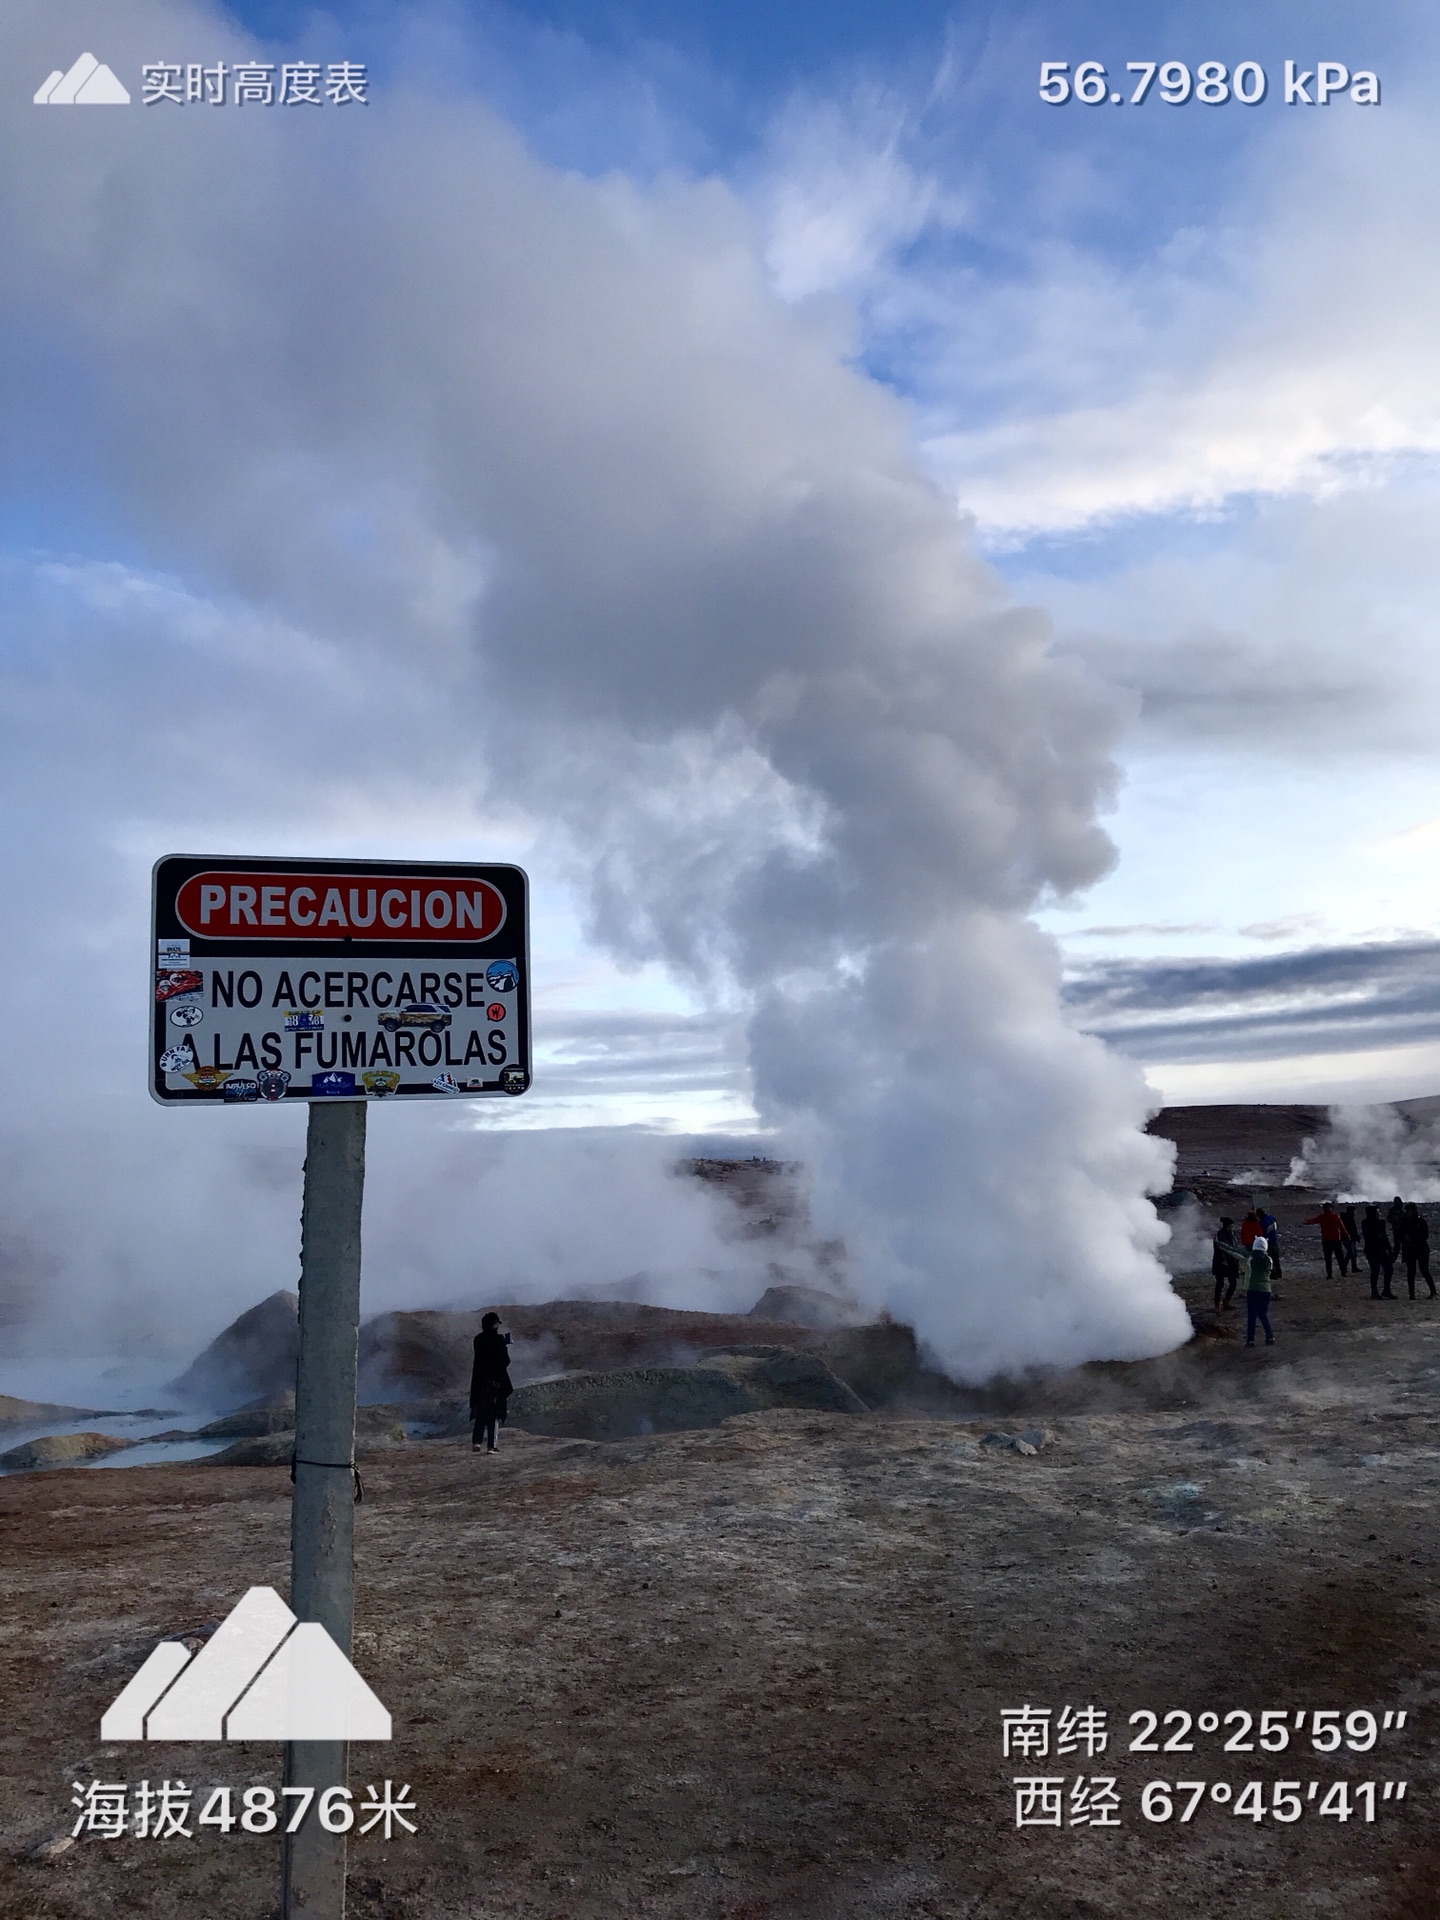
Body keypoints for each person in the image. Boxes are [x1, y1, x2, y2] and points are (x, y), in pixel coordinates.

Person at [469, 1310, 514, 1453]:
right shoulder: (498, 1340)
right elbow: (504, 1361)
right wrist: (504, 1345)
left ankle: (476, 1442)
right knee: (494, 1414)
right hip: (495, 1383)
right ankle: (491, 1446)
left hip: (479, 1382)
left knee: (480, 1413)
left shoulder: (477, 1339)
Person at [1400, 1202, 1436, 1300]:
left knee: (1424, 1270)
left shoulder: (1420, 1221)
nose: (1407, 1213)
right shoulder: (1405, 1222)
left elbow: (1425, 1235)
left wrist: (1411, 1238)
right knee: (1411, 1271)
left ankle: (1433, 1291)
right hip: (1412, 1249)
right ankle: (1412, 1293)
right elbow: (1401, 1235)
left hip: (1421, 1248)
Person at [1304, 1201, 1349, 1279]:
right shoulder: (1322, 1217)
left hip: (1335, 1240)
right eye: (1326, 1208)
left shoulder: (1335, 1217)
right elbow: (1314, 1220)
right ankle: (1330, 1274)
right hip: (1326, 1240)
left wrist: (1346, 1235)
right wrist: (1307, 1221)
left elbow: (1341, 1227)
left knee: (1339, 1257)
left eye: (1329, 1208)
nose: (1328, 1209)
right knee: (1328, 1258)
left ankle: (1343, 1271)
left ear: (1332, 1208)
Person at [1244, 1235, 1275, 1347]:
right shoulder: (1269, 1260)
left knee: (1252, 1315)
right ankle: (1270, 1336)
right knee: (1263, 1314)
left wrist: (1219, 1244)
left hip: (1253, 1289)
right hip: (1266, 1290)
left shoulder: (1251, 1257)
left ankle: (1250, 1340)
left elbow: (1233, 1251)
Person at [1361, 1204, 1395, 1300]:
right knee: (1376, 1270)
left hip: (1379, 1249)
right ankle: (1375, 1291)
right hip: (1372, 1250)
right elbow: (1369, 1236)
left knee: (1388, 1269)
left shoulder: (1379, 1222)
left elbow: (1383, 1236)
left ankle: (1385, 1290)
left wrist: (1389, 1249)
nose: (1379, 1213)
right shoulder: (1367, 1223)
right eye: (1377, 1212)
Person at [1212, 1216, 1242, 1309]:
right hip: (1220, 1262)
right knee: (1220, 1284)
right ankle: (1217, 1304)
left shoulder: (1233, 1235)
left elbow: (1235, 1247)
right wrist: (1225, 1259)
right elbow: (1222, 1250)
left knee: (1233, 1284)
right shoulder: (1219, 1235)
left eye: (1232, 1226)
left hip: (1232, 1262)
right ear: (1225, 1226)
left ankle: (1226, 1301)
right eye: (1230, 1226)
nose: (1232, 1228)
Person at [1257, 1206, 1283, 1284]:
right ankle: (1279, 1273)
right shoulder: (1271, 1217)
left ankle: (1273, 1275)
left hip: (1268, 1242)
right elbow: (1277, 1225)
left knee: (1270, 1259)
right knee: (1276, 1258)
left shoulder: (1262, 1222)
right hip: (1274, 1240)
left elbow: (1262, 1233)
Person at [1340, 1204, 1360, 1272]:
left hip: (1349, 1238)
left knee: (1351, 1253)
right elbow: (1351, 1230)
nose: (1355, 1213)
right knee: (1352, 1253)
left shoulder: (1348, 1219)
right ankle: (1347, 1267)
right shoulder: (1348, 1219)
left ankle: (1349, 1267)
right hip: (1348, 1239)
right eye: (1354, 1212)